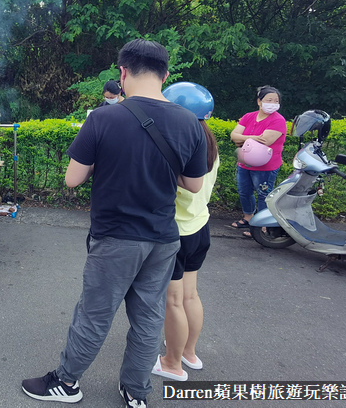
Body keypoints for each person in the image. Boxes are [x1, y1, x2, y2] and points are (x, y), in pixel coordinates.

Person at [21, 39, 208, 407]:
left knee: (94, 314)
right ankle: (136, 392)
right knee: (149, 317)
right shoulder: (189, 122)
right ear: (165, 74)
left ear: (122, 73)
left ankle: (66, 382)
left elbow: (72, 179)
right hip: (164, 238)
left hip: (116, 238)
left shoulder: (103, 118)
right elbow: (193, 184)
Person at [151, 82, 219, 382]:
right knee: (190, 296)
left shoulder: (181, 145)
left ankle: (172, 363)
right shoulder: (210, 143)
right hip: (200, 228)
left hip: (176, 233)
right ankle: (190, 353)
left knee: (174, 301)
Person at [229, 86, 286, 237]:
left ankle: (262, 226)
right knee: (244, 191)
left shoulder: (278, 120)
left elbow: (265, 141)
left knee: (263, 195)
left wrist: (242, 140)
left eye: (276, 101)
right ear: (259, 102)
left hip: (266, 167)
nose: (273, 103)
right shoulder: (249, 116)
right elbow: (234, 136)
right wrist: (253, 138)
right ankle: (248, 218)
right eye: (269, 100)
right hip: (244, 163)